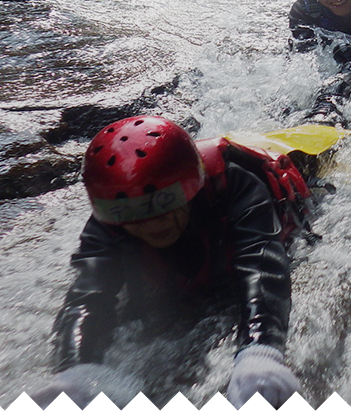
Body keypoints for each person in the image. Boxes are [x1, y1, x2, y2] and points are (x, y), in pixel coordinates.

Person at [22, 116, 304, 411]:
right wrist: (74, 373)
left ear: (191, 186)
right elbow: (87, 297)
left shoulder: (236, 185)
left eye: (164, 201)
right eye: (131, 211)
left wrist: (261, 350)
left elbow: (261, 263)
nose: (151, 222)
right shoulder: (111, 219)